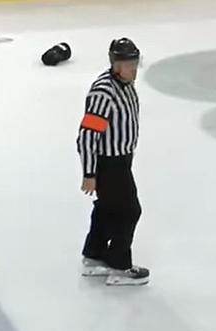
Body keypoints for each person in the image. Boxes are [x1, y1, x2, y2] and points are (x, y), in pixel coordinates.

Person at [77, 38, 148, 285]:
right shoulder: (103, 92)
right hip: (109, 163)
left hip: (121, 159)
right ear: (115, 65)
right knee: (129, 211)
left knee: (107, 208)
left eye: (135, 63)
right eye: (129, 64)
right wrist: (89, 172)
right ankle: (119, 266)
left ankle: (94, 256)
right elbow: (87, 134)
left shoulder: (126, 85)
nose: (134, 69)